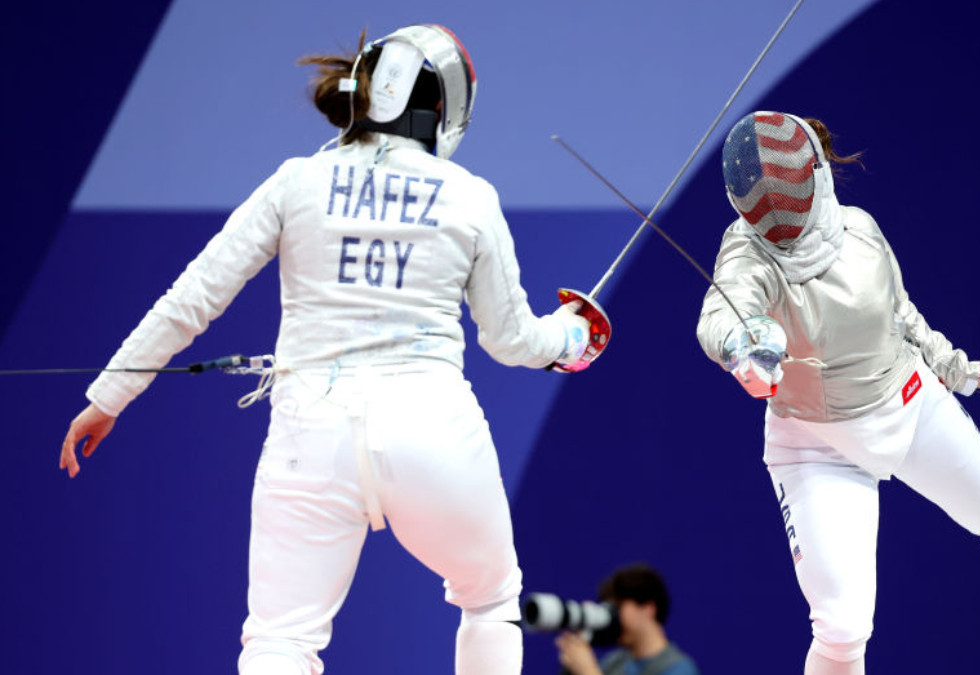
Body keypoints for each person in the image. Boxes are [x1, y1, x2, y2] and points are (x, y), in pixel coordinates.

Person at [58, 25, 605, 675]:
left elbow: (193, 297)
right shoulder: (469, 195)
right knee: (491, 600)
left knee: (280, 638)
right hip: (432, 430)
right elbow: (513, 340)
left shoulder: (298, 180)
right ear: (443, 107)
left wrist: (108, 394)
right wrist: (574, 336)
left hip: (308, 434)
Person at [695, 112, 980, 675]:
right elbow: (717, 318)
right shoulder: (747, 255)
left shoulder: (861, 229)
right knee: (843, 627)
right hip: (813, 444)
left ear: (816, 175)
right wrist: (743, 346)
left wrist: (961, 371)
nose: (780, 217)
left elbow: (902, 314)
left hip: (909, 405)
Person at [555, 564, 699, 675]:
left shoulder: (679, 668)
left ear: (648, 608)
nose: (612, 617)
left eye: (617, 607)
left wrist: (588, 671)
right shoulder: (614, 663)